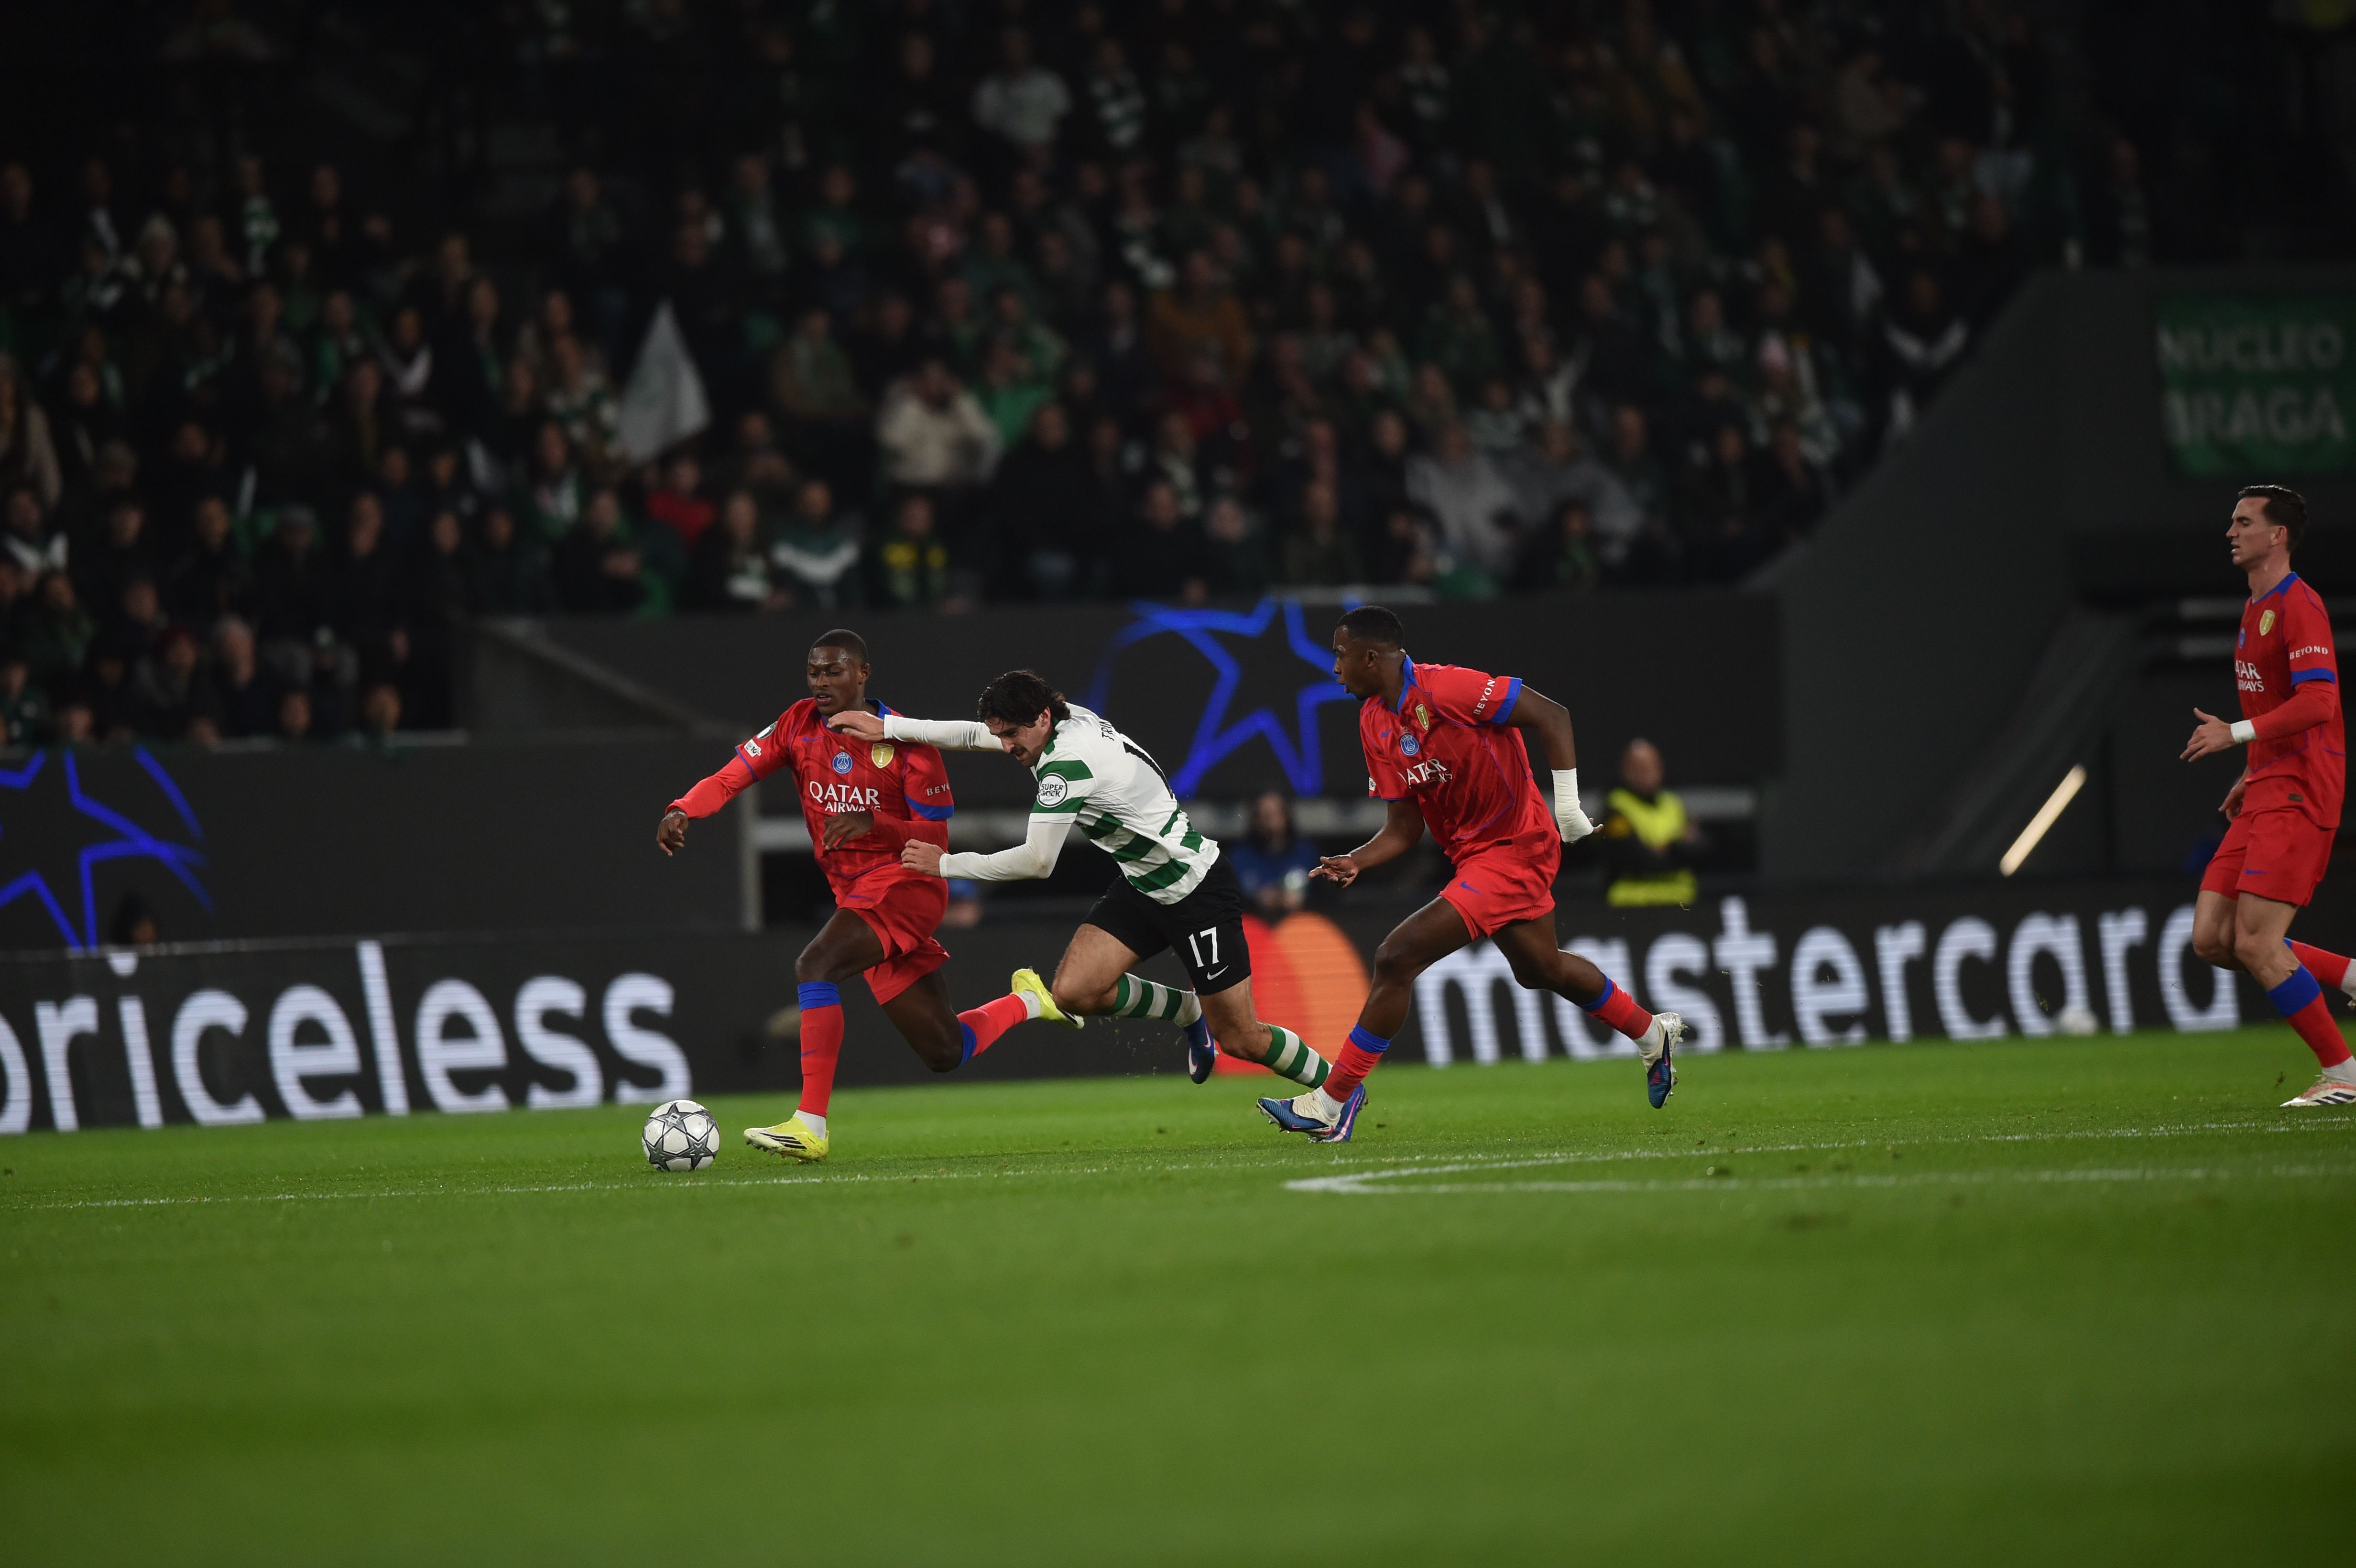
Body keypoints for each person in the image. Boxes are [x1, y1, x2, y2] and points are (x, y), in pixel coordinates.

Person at [1262, 606, 1684, 1142]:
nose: (1335, 668)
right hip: (1473, 856)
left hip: (1518, 846)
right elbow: (1403, 827)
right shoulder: (1373, 721)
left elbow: (1552, 715)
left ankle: (1332, 1102)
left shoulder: (1449, 689)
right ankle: (1650, 1033)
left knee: (1396, 956)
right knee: (1540, 968)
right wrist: (1358, 859)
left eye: (1340, 655)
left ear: (1371, 658)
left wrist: (1568, 809)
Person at [828, 670, 1333, 1095]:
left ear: (1042, 719)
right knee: (1073, 992)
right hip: (1142, 883)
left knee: (1241, 1038)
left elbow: (1037, 862)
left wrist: (945, 865)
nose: (1006, 747)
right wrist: (889, 727)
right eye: (1002, 735)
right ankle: (1187, 1010)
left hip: (1194, 888)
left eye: (1012, 735)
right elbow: (970, 735)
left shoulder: (1066, 765)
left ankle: (1337, 1091)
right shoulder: (1062, 720)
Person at [657, 631, 1004, 1163]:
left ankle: (810, 1124)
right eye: (814, 672)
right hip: (856, 894)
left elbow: (936, 839)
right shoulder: (796, 724)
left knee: (814, 965)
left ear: (862, 675)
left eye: (833, 672)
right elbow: (730, 779)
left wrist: (874, 822)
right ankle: (1030, 1000)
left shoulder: (908, 742)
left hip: (908, 885)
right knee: (944, 1049)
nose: (820, 682)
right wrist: (684, 808)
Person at [2183, 487, 2356, 1107]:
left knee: (2256, 942)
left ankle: (2344, 1074)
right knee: (2212, 937)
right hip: (2267, 784)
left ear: (2276, 535)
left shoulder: (2298, 604)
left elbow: (2319, 702)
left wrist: (2235, 734)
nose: (2230, 531)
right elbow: (2275, 705)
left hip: (2302, 790)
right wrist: (2250, 768)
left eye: (2243, 521)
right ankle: (2349, 975)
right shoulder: (2254, 606)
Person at [1597, 739, 1701, 907]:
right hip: (1632, 901)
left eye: (1652, 767)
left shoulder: (1673, 804)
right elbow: (1633, 857)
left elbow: (1700, 848)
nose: (1646, 773)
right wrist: (1676, 847)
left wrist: (1664, 850)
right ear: (1626, 771)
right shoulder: (1616, 806)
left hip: (1679, 898)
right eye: (1639, 768)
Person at [1226, 790, 1320, 916]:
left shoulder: (1306, 853)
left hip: (1300, 922)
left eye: (1274, 815)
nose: (1270, 823)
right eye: (1264, 816)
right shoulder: (1240, 858)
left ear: (1286, 816)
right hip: (1254, 921)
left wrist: (1301, 898)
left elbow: (1324, 895)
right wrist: (1257, 899)